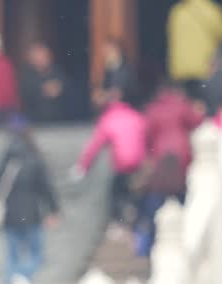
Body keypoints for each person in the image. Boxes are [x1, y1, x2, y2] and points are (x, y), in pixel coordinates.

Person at [0, 119, 59, 284]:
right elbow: (46, 188)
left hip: (10, 214)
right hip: (31, 213)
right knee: (37, 254)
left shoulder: (5, 161)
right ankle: (22, 275)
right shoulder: (34, 159)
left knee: (12, 254)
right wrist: (54, 211)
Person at [134, 83, 205, 256]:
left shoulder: (153, 109)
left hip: (160, 158)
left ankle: (151, 244)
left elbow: (146, 133)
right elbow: (197, 121)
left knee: (157, 202)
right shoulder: (181, 105)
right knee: (183, 198)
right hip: (182, 158)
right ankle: (189, 236)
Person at [71, 99, 147, 234]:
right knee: (136, 191)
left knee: (115, 193)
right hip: (137, 162)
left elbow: (95, 146)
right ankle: (139, 219)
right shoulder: (135, 116)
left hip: (122, 162)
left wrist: (83, 166)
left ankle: (118, 223)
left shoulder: (108, 119)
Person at [167, 0, 222, 100]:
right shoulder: (212, 10)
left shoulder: (177, 12)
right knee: (204, 106)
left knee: (185, 105)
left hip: (180, 70)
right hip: (204, 70)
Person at [19, 42, 71, 123]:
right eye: (39, 57)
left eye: (45, 56)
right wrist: (42, 90)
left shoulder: (57, 71)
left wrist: (60, 88)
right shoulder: (27, 75)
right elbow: (25, 94)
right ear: (32, 59)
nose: (42, 59)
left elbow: (69, 88)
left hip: (59, 121)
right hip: (36, 121)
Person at [93, 39, 137, 109]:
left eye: (108, 52)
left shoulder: (125, 69)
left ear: (116, 51)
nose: (105, 56)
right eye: (104, 53)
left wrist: (103, 96)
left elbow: (118, 94)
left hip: (126, 110)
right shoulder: (109, 70)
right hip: (113, 109)